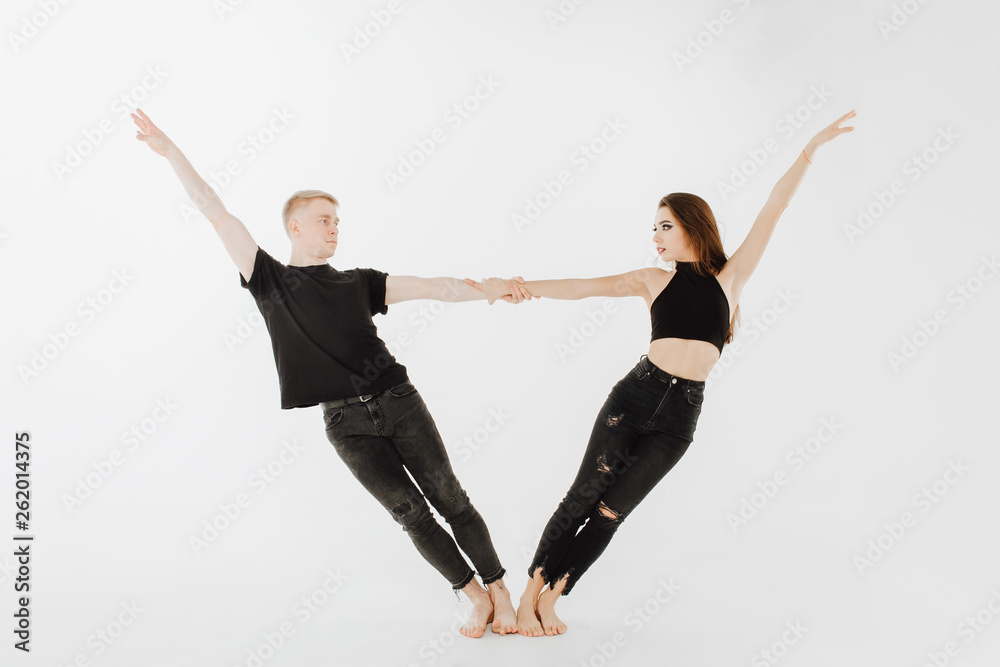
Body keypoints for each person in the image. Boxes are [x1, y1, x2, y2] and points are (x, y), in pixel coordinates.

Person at [131, 108, 530, 638]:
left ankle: (500, 587)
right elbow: (215, 211)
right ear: (295, 226)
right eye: (325, 219)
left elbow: (434, 286)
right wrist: (171, 152)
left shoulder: (358, 282)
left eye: (338, 221)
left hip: (397, 400)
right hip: (345, 425)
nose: (334, 228)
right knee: (410, 513)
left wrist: (491, 288)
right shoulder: (268, 279)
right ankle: (473, 595)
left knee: (449, 498)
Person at [468, 110, 856, 637]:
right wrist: (520, 285)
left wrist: (809, 149)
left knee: (610, 512)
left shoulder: (730, 279)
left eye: (665, 226)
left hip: (680, 416)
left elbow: (775, 206)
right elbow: (585, 286)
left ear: (692, 226)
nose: (656, 236)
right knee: (582, 496)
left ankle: (555, 598)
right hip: (636, 396)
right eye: (654, 228)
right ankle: (530, 595)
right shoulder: (652, 279)